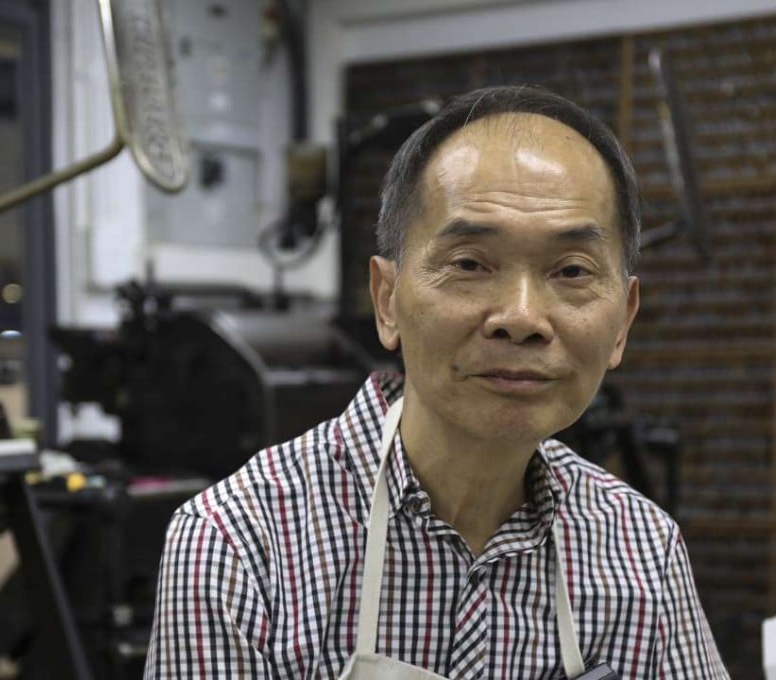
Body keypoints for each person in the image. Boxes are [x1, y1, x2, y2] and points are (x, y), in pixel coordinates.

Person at [144, 86, 728, 679]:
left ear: (623, 322)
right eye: (470, 264)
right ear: (387, 300)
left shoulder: (642, 549)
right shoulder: (241, 546)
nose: (522, 318)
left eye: (571, 270)